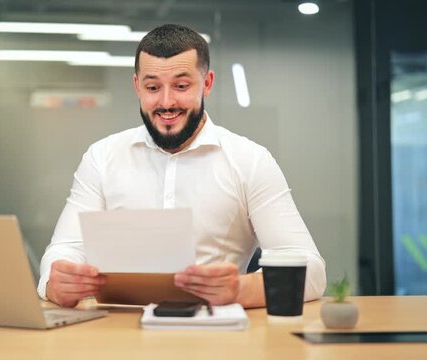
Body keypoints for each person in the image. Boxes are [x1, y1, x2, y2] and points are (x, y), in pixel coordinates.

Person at [37, 24, 326, 308]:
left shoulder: (250, 160)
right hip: (118, 337)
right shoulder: (101, 157)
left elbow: (309, 269)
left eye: (181, 85)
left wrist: (240, 289)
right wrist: (55, 282)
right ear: (137, 86)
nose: (166, 101)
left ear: (207, 83)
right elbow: (65, 249)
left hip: (215, 337)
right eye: (153, 87)